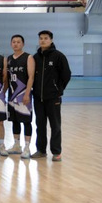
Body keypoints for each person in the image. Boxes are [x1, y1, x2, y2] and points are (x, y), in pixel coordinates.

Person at [31, 30, 71, 162]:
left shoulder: (58, 56)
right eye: (41, 38)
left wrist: (58, 90)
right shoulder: (35, 57)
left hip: (53, 98)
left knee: (55, 125)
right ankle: (41, 150)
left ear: (51, 40)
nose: (43, 40)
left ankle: (56, 152)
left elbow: (66, 74)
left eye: (46, 38)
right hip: (38, 98)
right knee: (40, 125)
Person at [6, 35, 35, 159]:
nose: (16, 44)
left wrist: (27, 94)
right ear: (11, 44)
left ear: (23, 44)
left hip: (24, 95)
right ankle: (17, 145)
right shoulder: (9, 59)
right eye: (14, 42)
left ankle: (27, 147)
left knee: (26, 121)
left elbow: (31, 77)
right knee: (15, 120)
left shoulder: (28, 57)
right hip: (12, 95)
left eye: (18, 42)